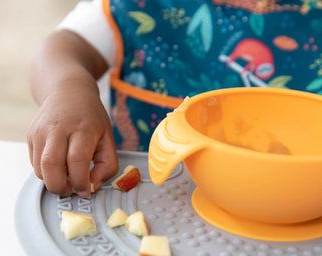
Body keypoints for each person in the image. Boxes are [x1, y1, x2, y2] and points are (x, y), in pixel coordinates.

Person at [28, 0, 322, 197]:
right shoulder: (142, 7)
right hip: (142, 196)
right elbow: (67, 44)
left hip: (298, 205)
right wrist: (66, 91)